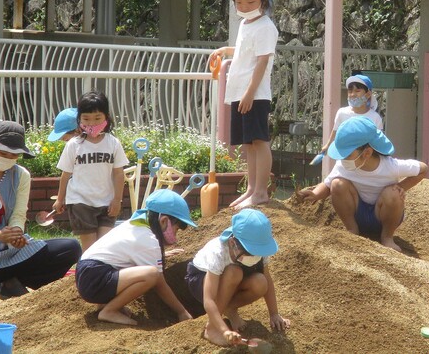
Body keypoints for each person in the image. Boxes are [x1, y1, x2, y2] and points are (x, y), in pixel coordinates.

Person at [298, 116, 427, 252]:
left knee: (393, 193)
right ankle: (352, 230)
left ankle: (387, 237)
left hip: (383, 215)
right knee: (337, 184)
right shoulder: (342, 166)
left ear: (367, 153)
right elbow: (328, 185)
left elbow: (423, 169)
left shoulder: (390, 166)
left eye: (347, 155)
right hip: (357, 213)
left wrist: (401, 187)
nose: (343, 159)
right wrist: (315, 194)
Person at [0, 121, 81, 299]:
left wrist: (16, 234)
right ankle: (4, 281)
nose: (8, 157)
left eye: (13, 154)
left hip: (7, 252)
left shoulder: (21, 175)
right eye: (2, 153)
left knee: (70, 248)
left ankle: (8, 280)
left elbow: (19, 215)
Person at [208, 0, 278, 209]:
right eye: (240, 1)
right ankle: (251, 189)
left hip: (254, 94)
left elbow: (262, 60)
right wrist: (226, 51)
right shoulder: (246, 25)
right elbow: (247, 53)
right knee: (248, 144)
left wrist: (249, 93)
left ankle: (260, 191)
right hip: (241, 92)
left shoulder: (266, 26)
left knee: (260, 141)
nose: (245, 5)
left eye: (251, 1)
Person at [75, 189, 195, 325]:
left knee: (147, 271)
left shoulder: (136, 225)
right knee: (152, 274)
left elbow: (124, 254)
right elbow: (159, 282)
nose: (176, 234)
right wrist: (181, 312)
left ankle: (106, 305)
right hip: (94, 278)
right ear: (163, 221)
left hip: (88, 273)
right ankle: (109, 311)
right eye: (177, 229)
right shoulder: (147, 239)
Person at [185, 208, 289, 346]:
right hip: (201, 280)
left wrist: (274, 313)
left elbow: (267, 279)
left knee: (260, 282)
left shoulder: (259, 248)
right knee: (234, 272)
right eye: (250, 252)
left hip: (232, 280)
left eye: (257, 253)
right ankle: (211, 328)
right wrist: (223, 330)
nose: (254, 257)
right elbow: (208, 299)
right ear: (233, 243)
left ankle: (229, 308)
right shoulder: (218, 252)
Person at [53, 91, 129, 250]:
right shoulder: (73, 145)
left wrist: (117, 200)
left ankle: (101, 273)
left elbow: (118, 173)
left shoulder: (113, 143)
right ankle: (88, 273)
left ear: (106, 118)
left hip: (106, 202)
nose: (92, 123)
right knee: (91, 249)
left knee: (105, 246)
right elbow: (65, 174)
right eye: (86, 119)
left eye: (97, 118)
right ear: (79, 119)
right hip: (81, 203)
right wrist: (60, 199)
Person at [314, 74, 383, 163]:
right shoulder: (342, 113)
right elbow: (336, 131)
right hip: (344, 161)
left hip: (366, 162)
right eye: (350, 91)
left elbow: (379, 142)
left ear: (368, 94)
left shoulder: (375, 118)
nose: (353, 94)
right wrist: (327, 145)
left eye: (357, 91)